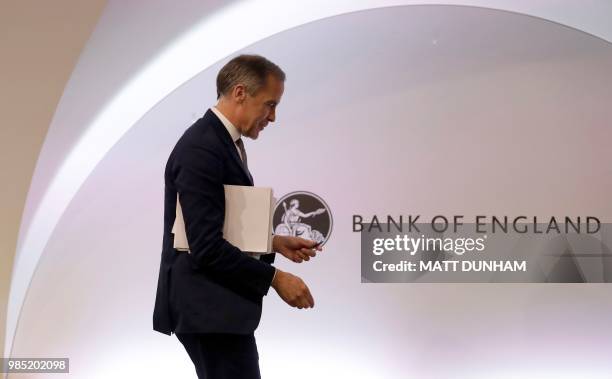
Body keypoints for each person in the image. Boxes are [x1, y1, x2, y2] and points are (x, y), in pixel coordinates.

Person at [153, 54, 321, 378]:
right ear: (240, 93)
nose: (272, 117)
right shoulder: (202, 148)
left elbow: (217, 226)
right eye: (270, 104)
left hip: (216, 311)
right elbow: (206, 247)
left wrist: (271, 242)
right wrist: (275, 278)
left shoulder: (220, 143)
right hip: (208, 311)